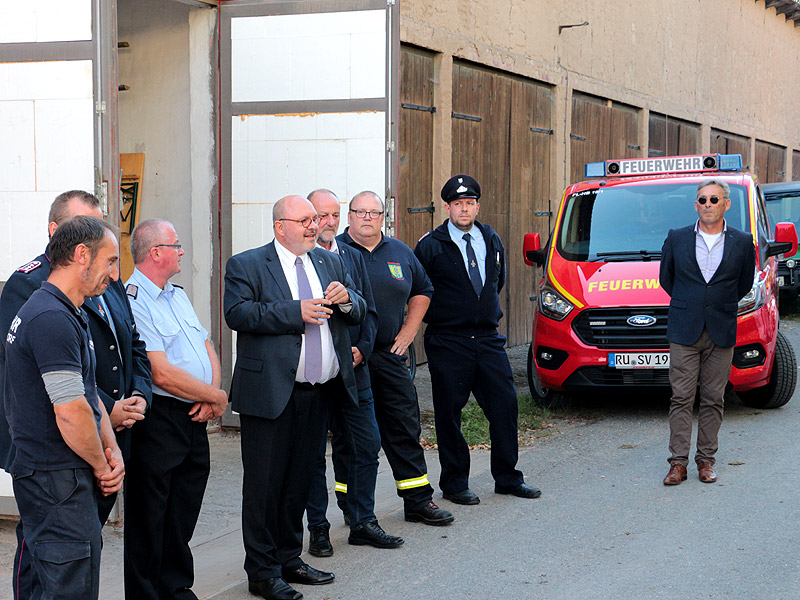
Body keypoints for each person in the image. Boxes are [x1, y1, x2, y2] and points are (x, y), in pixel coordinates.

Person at [0, 190, 151, 600]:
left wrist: (111, 448)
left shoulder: (71, 309)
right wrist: (104, 464)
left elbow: (89, 395)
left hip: (65, 474)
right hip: (56, 479)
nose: (116, 274)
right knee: (68, 588)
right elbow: (70, 412)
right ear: (82, 255)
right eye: (111, 261)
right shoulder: (50, 317)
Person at [224, 195, 366, 600]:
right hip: (269, 394)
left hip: (317, 393)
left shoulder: (329, 261)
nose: (313, 225)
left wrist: (348, 300)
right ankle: (262, 571)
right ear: (279, 226)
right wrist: (294, 311)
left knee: (299, 483)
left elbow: (358, 308)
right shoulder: (247, 264)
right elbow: (238, 313)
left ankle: (289, 558)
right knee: (264, 487)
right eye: (304, 220)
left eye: (315, 219)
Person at [414, 175, 541, 505]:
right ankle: (455, 484)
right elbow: (418, 290)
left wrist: (479, 309)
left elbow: (496, 282)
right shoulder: (431, 245)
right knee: (449, 413)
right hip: (448, 340)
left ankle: (508, 477)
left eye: (469, 203)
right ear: (447, 208)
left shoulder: (491, 238)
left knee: (505, 406)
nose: (464, 208)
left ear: (477, 205)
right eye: (457, 204)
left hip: (487, 338)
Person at [124, 219, 228, 600]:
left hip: (193, 416)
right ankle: (146, 594)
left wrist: (211, 391)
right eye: (176, 245)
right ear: (156, 253)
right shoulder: (133, 299)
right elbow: (160, 372)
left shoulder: (176, 294)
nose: (182, 251)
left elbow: (206, 346)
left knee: (183, 509)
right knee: (149, 516)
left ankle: (176, 587)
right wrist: (214, 398)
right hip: (160, 420)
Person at [339, 191, 454, 526]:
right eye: (361, 212)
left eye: (375, 213)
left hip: (389, 354)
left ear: (383, 217)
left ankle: (418, 500)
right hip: (353, 358)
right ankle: (353, 506)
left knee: (404, 425)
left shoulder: (399, 252)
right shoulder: (337, 254)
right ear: (350, 216)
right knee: (353, 435)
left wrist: (408, 331)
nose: (367, 218)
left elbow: (423, 289)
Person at [305, 189, 403, 555]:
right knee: (314, 455)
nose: (328, 223)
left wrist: (362, 348)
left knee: (368, 443)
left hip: (354, 373)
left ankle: (363, 521)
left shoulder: (351, 255)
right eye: (321, 215)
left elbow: (370, 311)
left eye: (333, 215)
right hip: (313, 377)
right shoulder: (299, 261)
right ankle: (318, 528)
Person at [659, 178, 755, 485]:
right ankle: (677, 464)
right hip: (684, 330)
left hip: (721, 329)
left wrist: (716, 304)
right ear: (696, 204)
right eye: (702, 200)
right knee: (681, 397)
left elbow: (742, 283)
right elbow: (667, 279)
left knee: (714, 398)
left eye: (714, 200)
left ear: (726, 204)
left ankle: (706, 461)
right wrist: (692, 303)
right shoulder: (677, 237)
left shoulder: (742, 241)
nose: (708, 205)